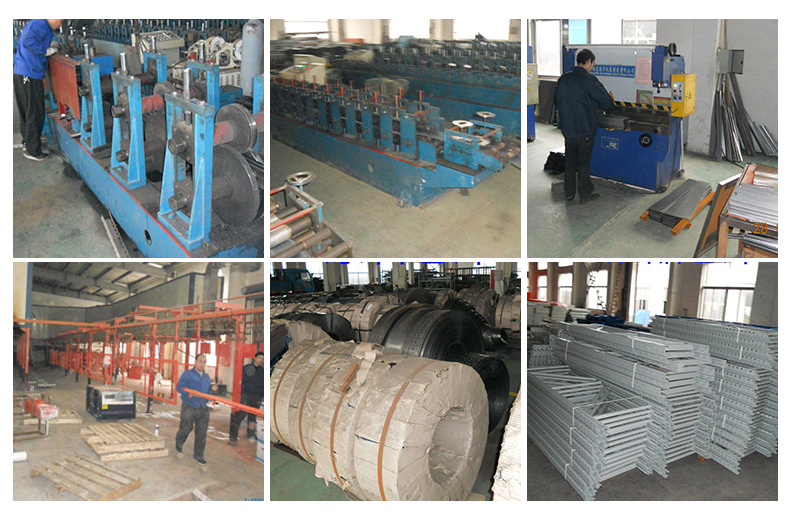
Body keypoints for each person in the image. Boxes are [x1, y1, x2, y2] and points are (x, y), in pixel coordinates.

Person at [555, 48, 614, 204]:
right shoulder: (589, 80)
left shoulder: (563, 79)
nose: (592, 67)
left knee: (569, 162)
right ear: (589, 62)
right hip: (584, 129)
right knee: (583, 163)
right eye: (593, 64)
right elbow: (607, 102)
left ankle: (569, 194)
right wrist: (607, 108)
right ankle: (585, 195)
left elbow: (557, 101)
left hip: (568, 129)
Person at [13, 19, 64, 161]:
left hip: (24, 72)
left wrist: (50, 45)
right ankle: (33, 150)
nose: (60, 24)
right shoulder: (40, 23)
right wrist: (45, 51)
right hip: (29, 74)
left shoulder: (41, 24)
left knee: (27, 111)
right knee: (35, 112)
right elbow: (27, 41)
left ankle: (28, 142)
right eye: (60, 21)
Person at [175, 354, 217, 465]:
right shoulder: (187, 374)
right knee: (186, 428)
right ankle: (179, 444)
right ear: (195, 362)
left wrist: (212, 395)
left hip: (203, 407)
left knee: (202, 432)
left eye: (204, 362)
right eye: (200, 361)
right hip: (189, 406)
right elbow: (179, 387)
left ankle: (199, 455)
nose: (202, 364)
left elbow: (208, 392)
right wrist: (191, 393)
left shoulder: (207, 377)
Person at [228, 351, 265, 445]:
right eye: (259, 358)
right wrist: (242, 394)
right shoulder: (247, 368)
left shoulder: (263, 371)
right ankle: (233, 438)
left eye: (263, 358)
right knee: (239, 416)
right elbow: (242, 381)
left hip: (257, 398)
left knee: (252, 418)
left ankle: (251, 434)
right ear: (255, 358)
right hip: (246, 396)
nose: (261, 360)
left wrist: (261, 396)